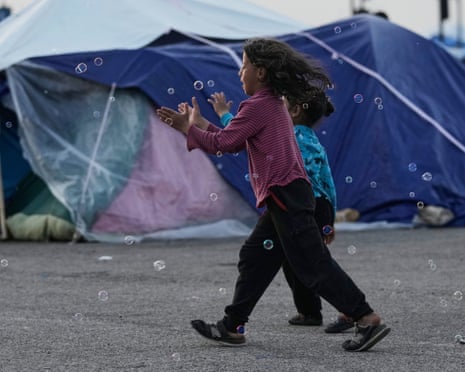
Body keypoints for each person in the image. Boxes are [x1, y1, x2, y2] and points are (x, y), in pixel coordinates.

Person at [156, 37, 390, 351]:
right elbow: (234, 140)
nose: (240, 73)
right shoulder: (270, 104)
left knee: (311, 263)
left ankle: (365, 318)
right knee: (255, 256)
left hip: (285, 194)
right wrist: (199, 125)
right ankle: (232, 325)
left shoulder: (259, 105)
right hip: (287, 194)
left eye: (244, 66)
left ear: (262, 72)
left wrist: (189, 130)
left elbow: (224, 144)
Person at [207, 90, 354, 332]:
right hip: (319, 204)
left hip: (298, 202)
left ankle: (351, 309)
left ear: (294, 111)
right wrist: (330, 217)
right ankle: (309, 312)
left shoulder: (286, 135)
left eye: (281, 104)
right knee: (295, 260)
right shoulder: (312, 139)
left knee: (309, 261)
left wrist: (224, 114)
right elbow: (328, 180)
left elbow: (243, 135)